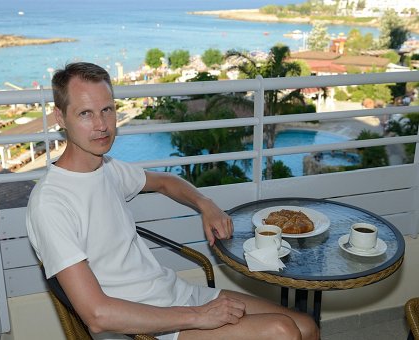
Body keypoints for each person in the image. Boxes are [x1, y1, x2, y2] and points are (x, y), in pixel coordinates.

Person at [26, 62, 319, 340]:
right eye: (85, 114)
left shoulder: (108, 169)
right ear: (61, 118)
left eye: (107, 110)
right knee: (283, 331)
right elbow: (98, 315)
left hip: (174, 297)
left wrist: (206, 204)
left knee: (305, 326)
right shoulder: (52, 202)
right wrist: (198, 316)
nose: (102, 125)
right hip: (139, 328)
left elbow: (166, 181)